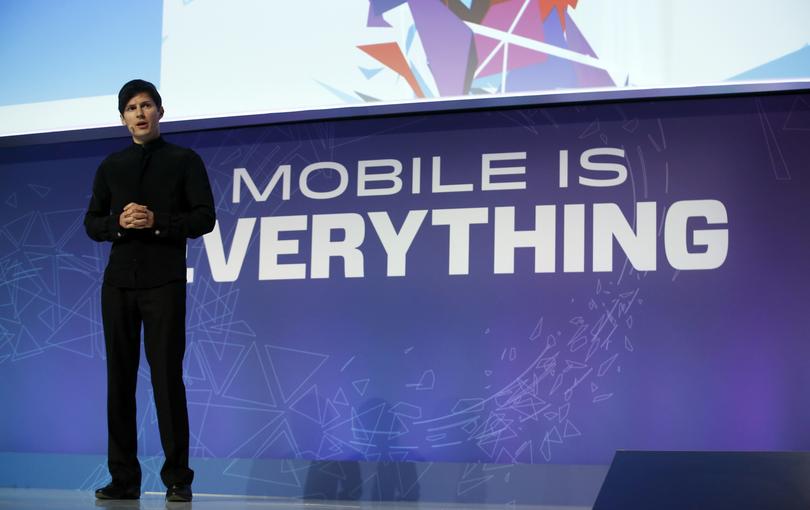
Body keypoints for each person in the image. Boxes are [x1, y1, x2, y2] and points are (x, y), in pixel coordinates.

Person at [84, 79, 216, 502]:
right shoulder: (111, 166)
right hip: (118, 283)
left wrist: (157, 220)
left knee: (166, 380)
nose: (139, 113)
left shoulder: (184, 160)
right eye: (131, 108)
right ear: (122, 118)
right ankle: (123, 479)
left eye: (146, 105)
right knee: (118, 382)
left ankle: (178, 479)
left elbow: (204, 218)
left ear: (160, 111)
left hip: (164, 283)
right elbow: (92, 222)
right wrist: (118, 225)